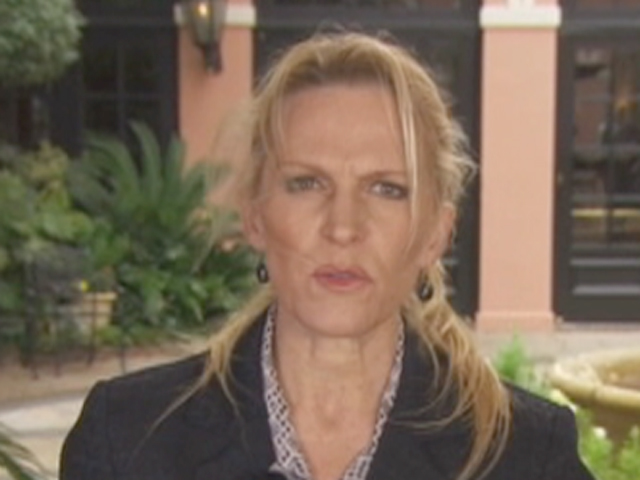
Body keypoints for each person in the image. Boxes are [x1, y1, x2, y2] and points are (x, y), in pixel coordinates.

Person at [61, 31, 595, 480]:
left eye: (386, 189)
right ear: (254, 216)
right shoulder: (126, 438)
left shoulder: (528, 454)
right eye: (307, 183)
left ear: (436, 233)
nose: (343, 228)